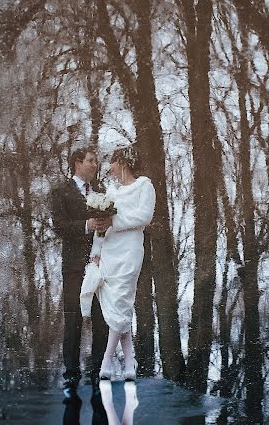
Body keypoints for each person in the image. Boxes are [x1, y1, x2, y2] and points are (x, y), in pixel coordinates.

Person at [51, 147, 111, 401]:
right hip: (75, 266)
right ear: (77, 163)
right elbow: (59, 226)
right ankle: (71, 376)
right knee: (73, 320)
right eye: (90, 160)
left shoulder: (102, 191)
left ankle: (98, 372)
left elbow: (110, 224)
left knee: (101, 319)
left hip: (101, 265)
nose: (95, 164)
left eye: (96, 161)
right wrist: (86, 225)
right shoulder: (60, 191)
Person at [96, 144, 156, 381]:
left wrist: (115, 221)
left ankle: (107, 360)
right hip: (110, 250)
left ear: (122, 162)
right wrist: (96, 250)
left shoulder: (145, 186)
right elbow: (101, 225)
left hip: (130, 249)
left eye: (112, 161)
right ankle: (130, 363)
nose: (109, 167)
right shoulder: (111, 191)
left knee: (121, 300)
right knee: (119, 305)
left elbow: (144, 216)